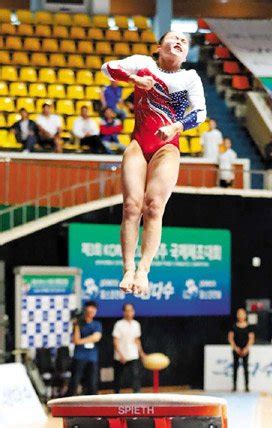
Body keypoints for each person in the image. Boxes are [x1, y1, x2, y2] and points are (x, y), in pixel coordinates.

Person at [102, 31, 207, 295]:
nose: (180, 42)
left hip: (167, 147)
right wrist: (135, 78)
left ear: (186, 53)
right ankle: (127, 268)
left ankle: (143, 270)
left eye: (184, 41)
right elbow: (107, 68)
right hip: (139, 143)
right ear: (159, 47)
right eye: (174, 38)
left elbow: (201, 113)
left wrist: (177, 127)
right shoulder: (144, 64)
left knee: (154, 206)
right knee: (131, 206)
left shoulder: (189, 78)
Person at [67, 301, 102, 396]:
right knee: (75, 381)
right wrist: (76, 324)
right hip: (79, 356)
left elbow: (96, 337)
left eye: (93, 310)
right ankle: (69, 402)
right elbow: (75, 339)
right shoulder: (79, 324)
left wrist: (81, 341)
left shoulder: (96, 324)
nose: (91, 312)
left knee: (92, 382)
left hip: (92, 357)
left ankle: (93, 402)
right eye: (89, 310)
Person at [112, 303, 146, 393]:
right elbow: (115, 341)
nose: (129, 313)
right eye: (126, 311)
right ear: (123, 312)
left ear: (133, 312)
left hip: (133, 355)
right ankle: (116, 397)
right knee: (118, 378)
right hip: (120, 356)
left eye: (131, 310)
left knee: (135, 376)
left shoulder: (136, 324)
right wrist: (120, 355)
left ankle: (137, 396)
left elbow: (137, 340)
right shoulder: (119, 324)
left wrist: (141, 353)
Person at [228, 308, 255, 392]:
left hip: (245, 350)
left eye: (242, 314)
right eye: (239, 314)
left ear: (245, 315)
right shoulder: (234, 326)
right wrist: (235, 348)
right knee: (235, 368)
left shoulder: (249, 326)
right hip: (236, 349)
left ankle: (247, 386)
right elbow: (230, 338)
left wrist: (246, 348)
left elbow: (251, 338)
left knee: (245, 368)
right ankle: (234, 386)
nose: (240, 315)